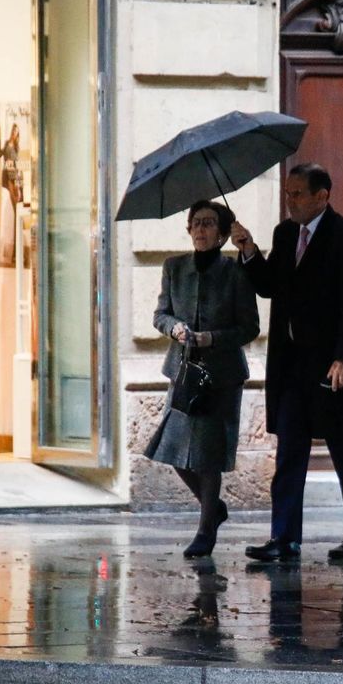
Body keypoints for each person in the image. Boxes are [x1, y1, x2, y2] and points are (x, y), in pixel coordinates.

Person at [229, 164, 343, 563]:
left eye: (297, 193)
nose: (289, 200)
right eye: (288, 193)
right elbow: (272, 287)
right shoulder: (285, 233)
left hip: (332, 368)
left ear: (321, 196)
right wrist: (248, 251)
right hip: (292, 368)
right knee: (289, 453)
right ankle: (284, 538)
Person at [145, 200, 261, 559]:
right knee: (173, 451)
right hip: (183, 372)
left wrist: (213, 338)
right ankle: (215, 508)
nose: (200, 230)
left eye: (209, 224)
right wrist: (174, 327)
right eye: (195, 223)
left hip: (222, 376)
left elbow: (250, 328)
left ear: (224, 233)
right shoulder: (174, 267)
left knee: (208, 457)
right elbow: (159, 314)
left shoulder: (236, 272)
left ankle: (206, 528)